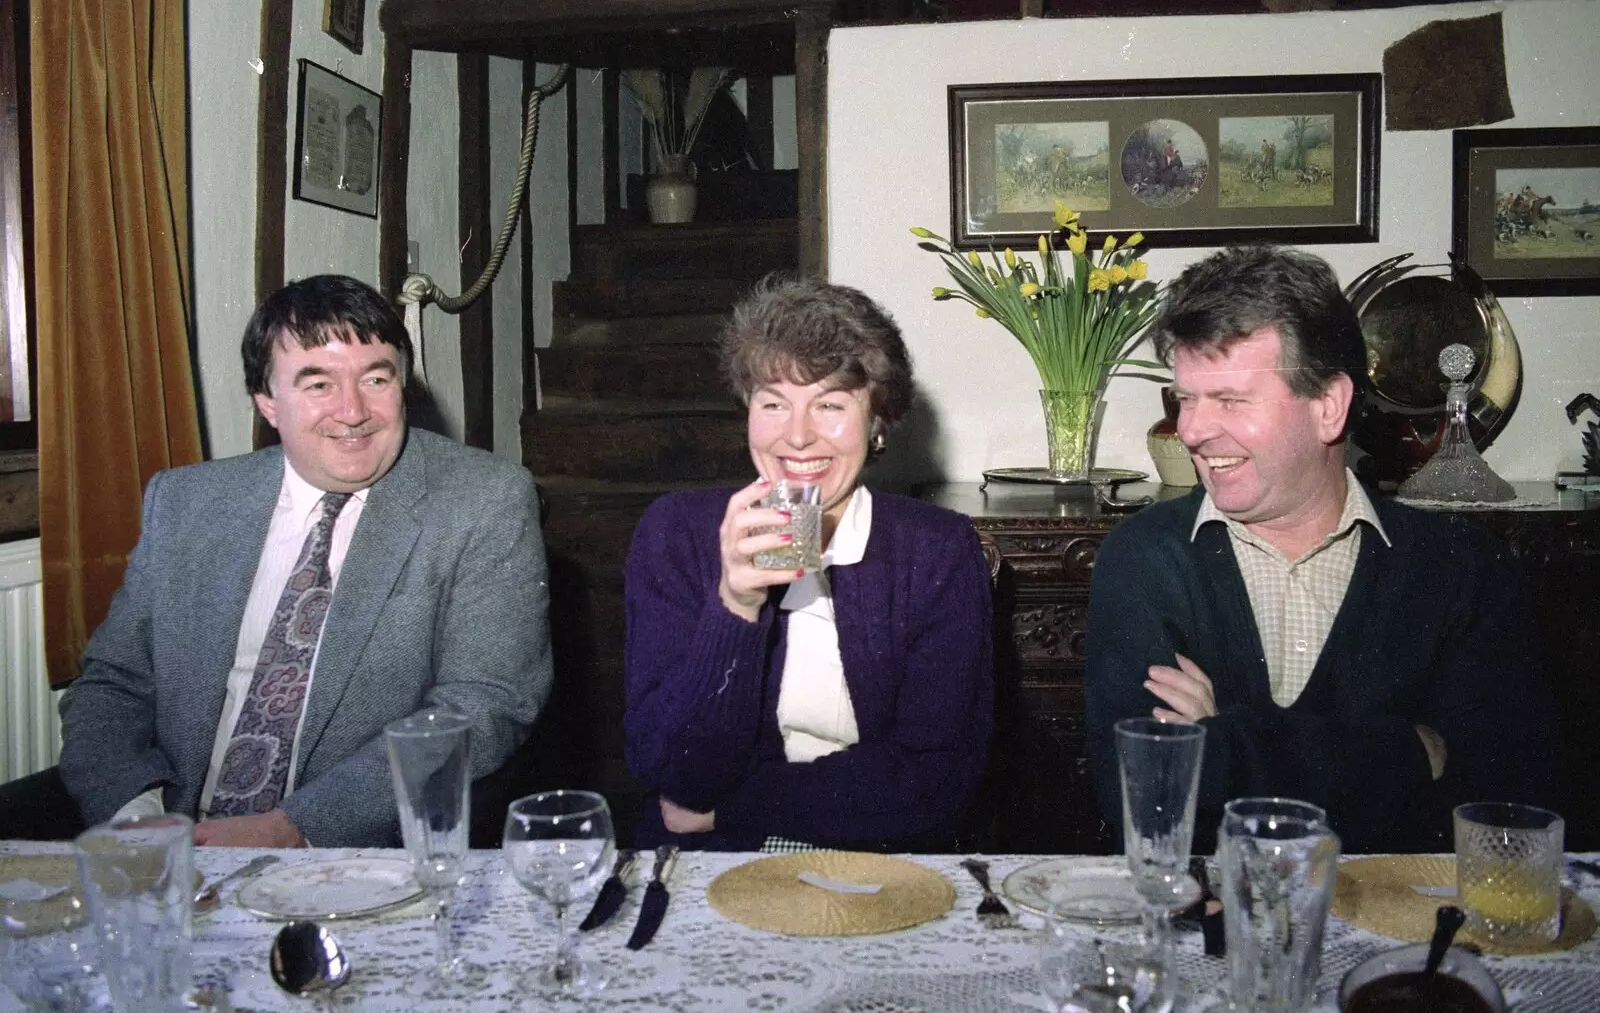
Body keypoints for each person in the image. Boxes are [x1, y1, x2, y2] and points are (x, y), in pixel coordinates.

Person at [0, 274, 553, 847]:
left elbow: (483, 705)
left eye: (376, 378)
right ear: (268, 403)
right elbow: (112, 684)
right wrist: (138, 818)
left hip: (349, 846)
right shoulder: (187, 502)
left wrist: (294, 828)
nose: (353, 411)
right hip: (173, 832)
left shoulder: (483, 500)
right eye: (317, 384)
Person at [1083, 246, 1555, 853]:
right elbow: (1144, 802)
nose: (1193, 431)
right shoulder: (1145, 559)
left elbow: (1504, 812)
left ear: (1328, 406)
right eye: (1186, 399)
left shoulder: (1462, 571)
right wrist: (1408, 751)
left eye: (1229, 400)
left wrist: (1225, 738)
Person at [623, 277, 994, 852]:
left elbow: (935, 785)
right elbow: (674, 774)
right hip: (714, 862)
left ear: (878, 422)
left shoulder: (936, 550)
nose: (797, 436)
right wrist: (735, 607)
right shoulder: (677, 534)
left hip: (875, 854)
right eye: (774, 403)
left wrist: (733, 805)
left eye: (829, 404)